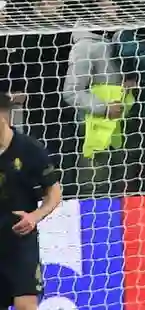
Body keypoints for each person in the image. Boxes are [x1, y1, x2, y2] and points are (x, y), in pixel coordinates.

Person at [0, 94, 60, 310]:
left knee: (26, 305)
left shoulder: (29, 149)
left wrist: (35, 216)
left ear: (3, 118)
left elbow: (54, 193)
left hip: (19, 241)